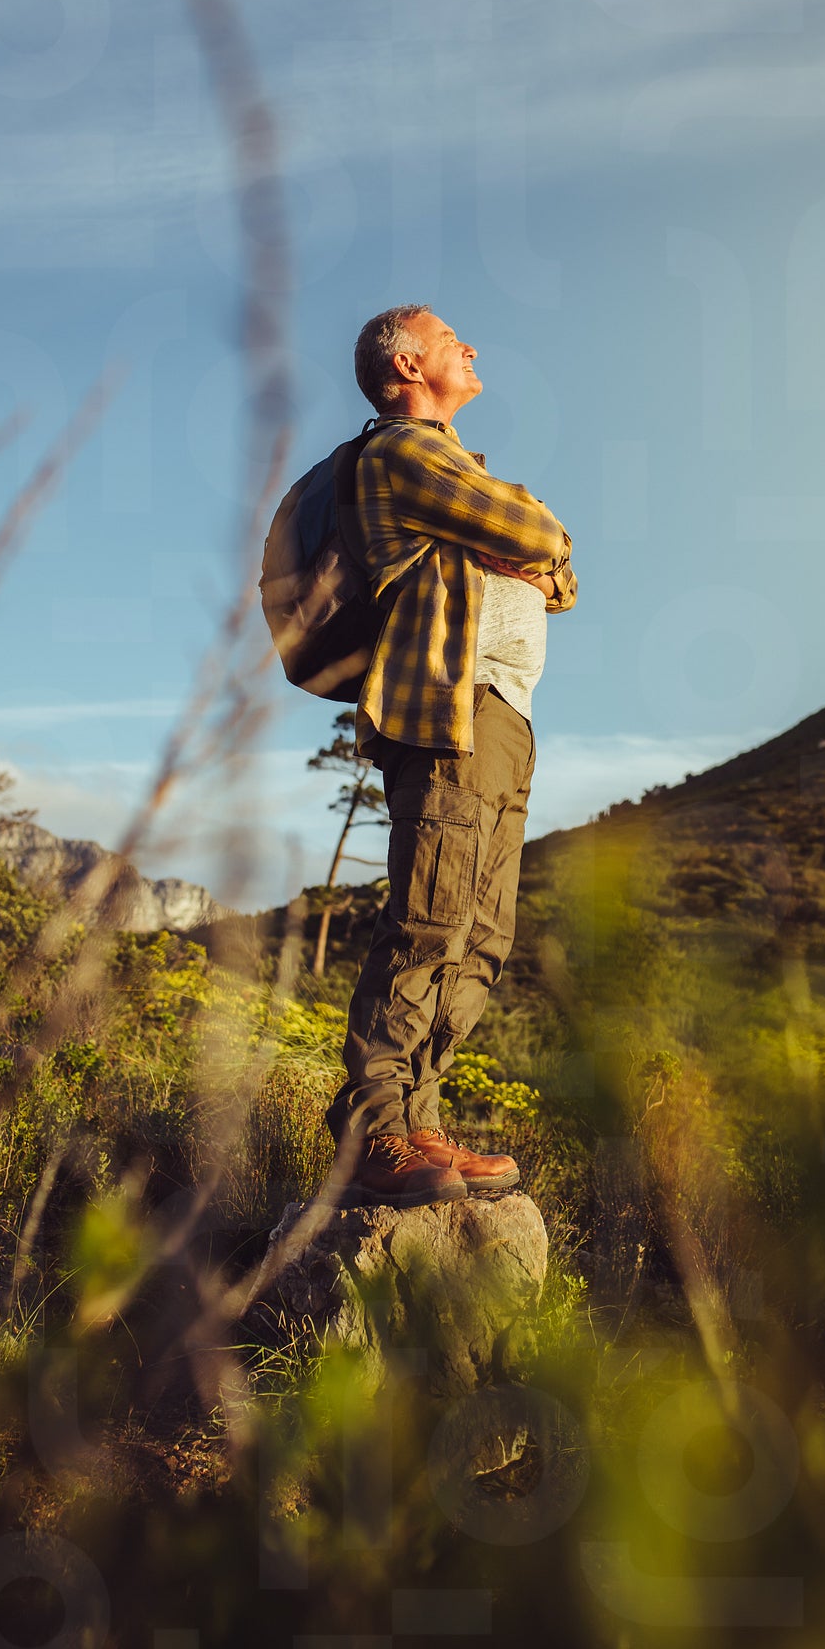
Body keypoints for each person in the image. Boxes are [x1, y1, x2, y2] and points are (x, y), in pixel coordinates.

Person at [323, 306, 577, 1207]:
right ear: (406, 364)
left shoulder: (455, 469)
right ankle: (375, 1131)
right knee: (429, 920)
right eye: (448, 339)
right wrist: (522, 541)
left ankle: (421, 1121)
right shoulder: (401, 453)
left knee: (481, 937)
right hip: (448, 710)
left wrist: (526, 546)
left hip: (504, 715)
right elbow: (541, 538)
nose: (468, 347)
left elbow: (562, 578)